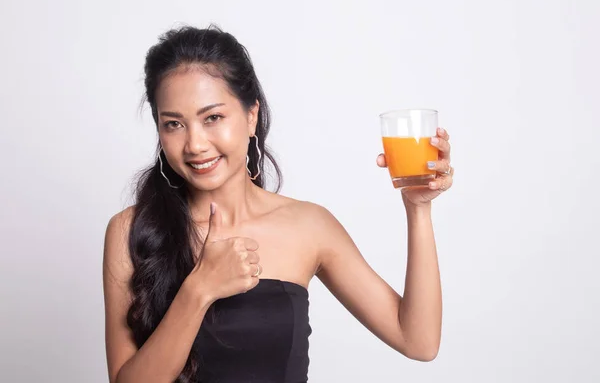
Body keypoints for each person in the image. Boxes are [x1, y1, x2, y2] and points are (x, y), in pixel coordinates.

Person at [102, 24, 454, 383]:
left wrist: (418, 208)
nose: (194, 144)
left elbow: (419, 341)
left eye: (213, 118)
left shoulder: (308, 226)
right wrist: (199, 289)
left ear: (251, 115)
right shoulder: (130, 231)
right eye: (174, 124)